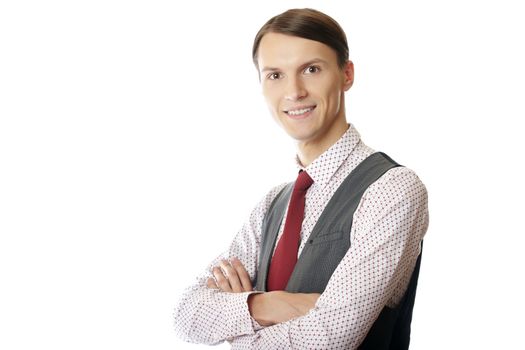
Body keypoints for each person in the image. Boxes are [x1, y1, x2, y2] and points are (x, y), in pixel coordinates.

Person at [173, 8, 429, 349]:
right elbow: (187, 315)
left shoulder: (392, 189)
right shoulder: (271, 206)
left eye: (311, 69)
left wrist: (235, 328)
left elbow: (330, 339)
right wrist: (271, 304)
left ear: (346, 74)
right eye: (275, 75)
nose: (294, 91)